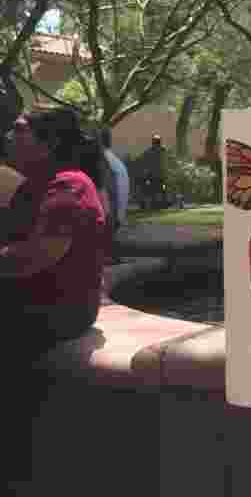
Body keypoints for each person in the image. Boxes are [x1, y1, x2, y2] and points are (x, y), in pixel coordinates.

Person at [1, 106, 111, 488]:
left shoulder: (68, 186)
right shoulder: (34, 184)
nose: (9, 136)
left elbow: (39, 255)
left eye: (20, 130)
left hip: (55, 309)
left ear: (48, 143)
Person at [100, 127, 130, 232]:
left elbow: (111, 194)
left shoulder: (103, 162)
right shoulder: (115, 161)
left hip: (109, 224)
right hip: (116, 221)